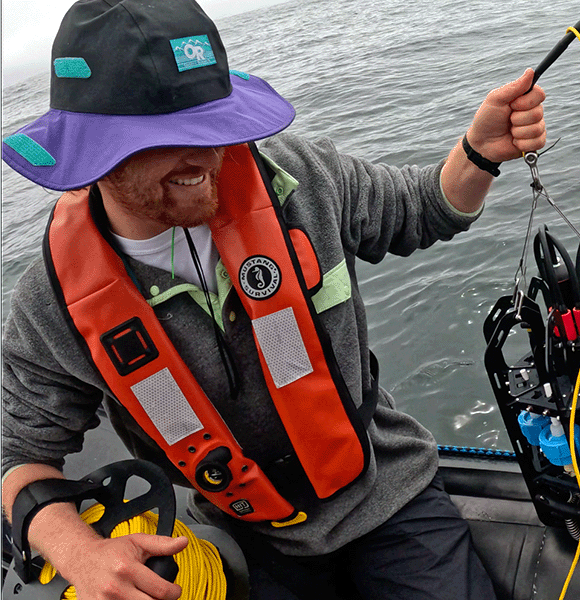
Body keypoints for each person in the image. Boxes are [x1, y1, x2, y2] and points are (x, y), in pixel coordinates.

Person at [0, 1, 545, 598]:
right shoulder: (51, 302)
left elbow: (420, 208)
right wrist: (80, 553)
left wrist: (479, 152)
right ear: (91, 154)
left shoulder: (303, 179)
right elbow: (17, 453)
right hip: (244, 537)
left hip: (387, 497)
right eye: (170, 136)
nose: (208, 154)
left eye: (214, 123)